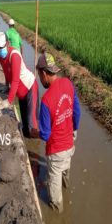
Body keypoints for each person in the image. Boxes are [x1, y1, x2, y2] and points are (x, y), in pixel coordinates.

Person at [36, 52, 81, 213]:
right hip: (70, 143)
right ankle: (67, 185)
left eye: (39, 76)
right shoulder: (68, 83)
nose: (40, 81)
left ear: (43, 73)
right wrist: (72, 130)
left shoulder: (46, 100)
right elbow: (77, 112)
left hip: (56, 151)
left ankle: (60, 217)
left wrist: (36, 132)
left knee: (55, 198)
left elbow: (45, 135)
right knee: (66, 168)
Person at [0, 32, 38, 137]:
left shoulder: (14, 55)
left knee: (32, 124)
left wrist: (9, 101)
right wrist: (6, 86)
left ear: (7, 43)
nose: (0, 49)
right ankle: (27, 142)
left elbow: (15, 80)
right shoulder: (1, 57)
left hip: (29, 88)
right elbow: (6, 73)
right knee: (24, 123)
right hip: (20, 93)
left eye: (2, 46)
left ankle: (38, 142)